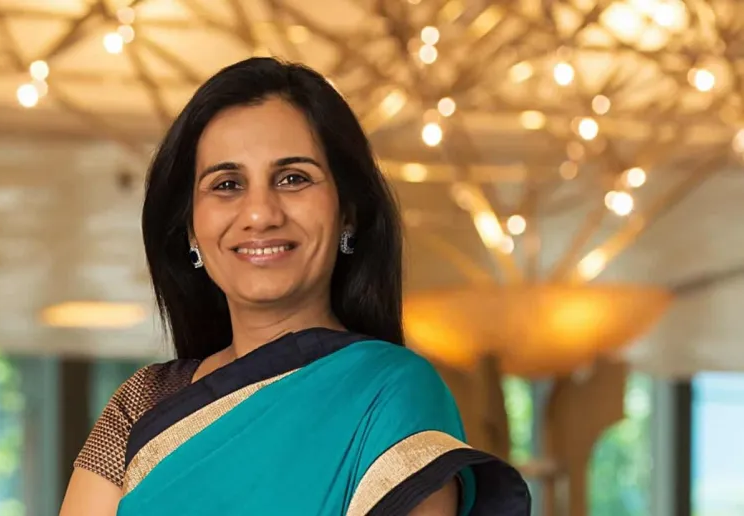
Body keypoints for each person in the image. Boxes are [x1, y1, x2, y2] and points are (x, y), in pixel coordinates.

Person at [59, 57, 530, 515]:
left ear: (348, 213)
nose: (260, 214)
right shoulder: (142, 404)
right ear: (190, 229)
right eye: (227, 184)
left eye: (292, 178)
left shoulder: (391, 396)